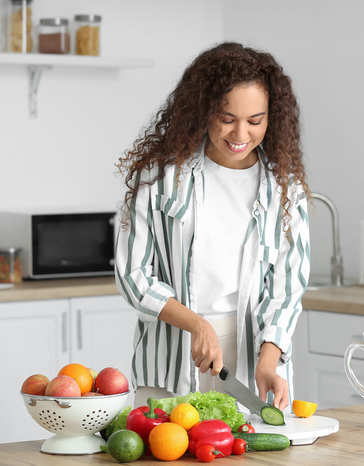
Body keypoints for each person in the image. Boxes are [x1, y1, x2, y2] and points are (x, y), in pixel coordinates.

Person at [114, 42, 310, 411]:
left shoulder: (285, 192)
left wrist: (269, 361)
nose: (240, 134)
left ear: (272, 117)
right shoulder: (159, 179)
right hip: (172, 356)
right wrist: (197, 325)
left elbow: (288, 288)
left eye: (255, 121)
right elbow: (132, 276)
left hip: (252, 360)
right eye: (227, 118)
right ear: (202, 110)